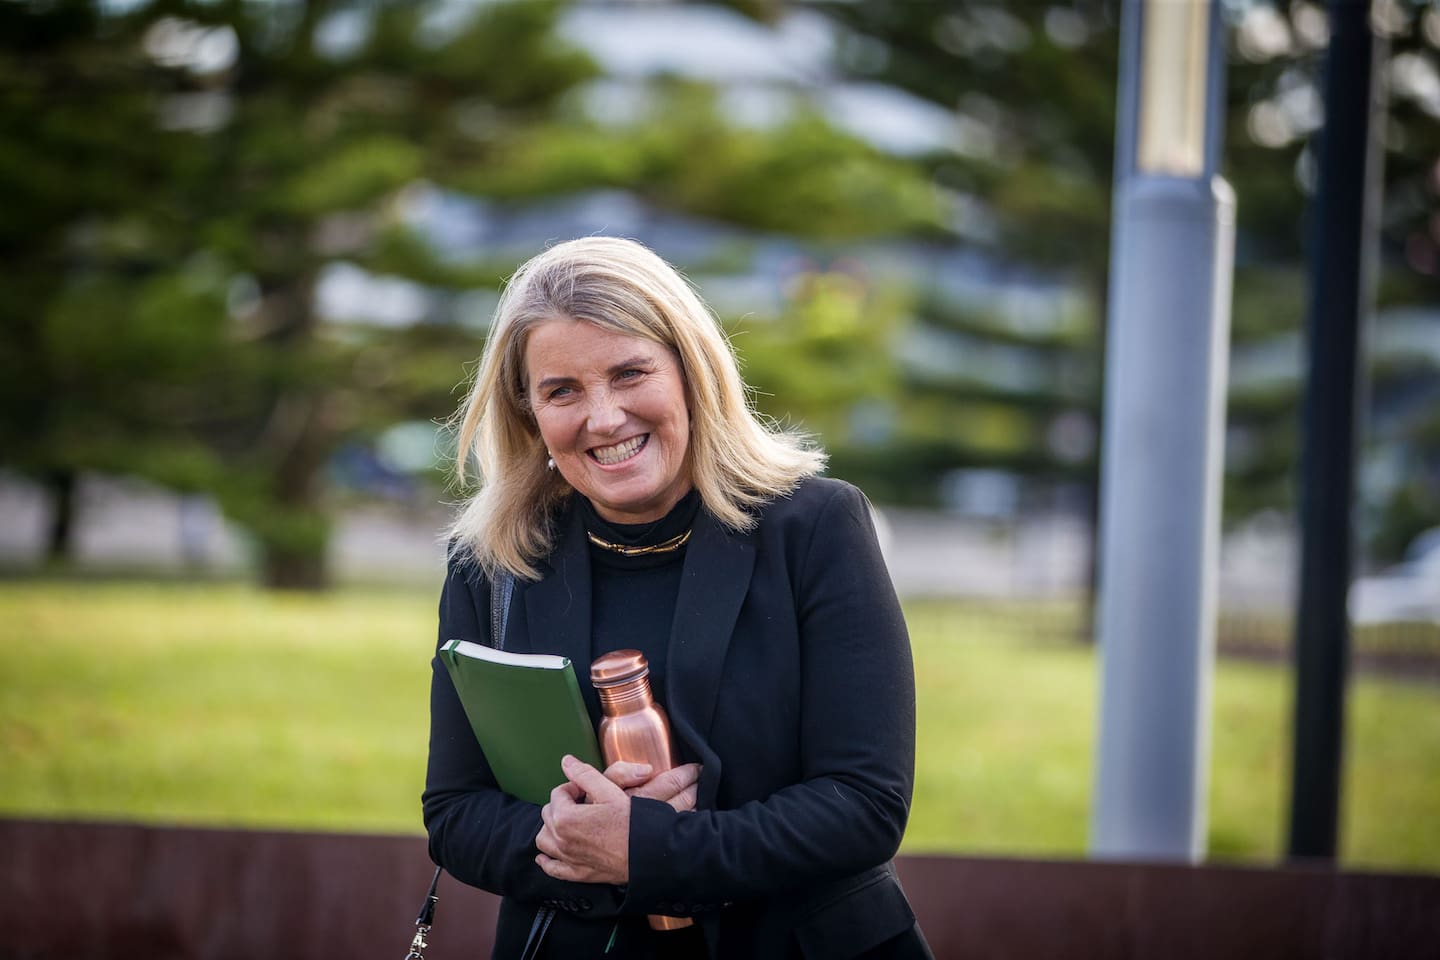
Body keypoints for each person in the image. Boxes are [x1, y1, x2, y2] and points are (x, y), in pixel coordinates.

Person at [423, 236, 930, 960]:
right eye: (562, 390)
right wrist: (567, 837)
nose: (602, 418)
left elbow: (864, 804)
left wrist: (653, 851)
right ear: (528, 413)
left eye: (631, 373)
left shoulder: (815, 528)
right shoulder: (491, 564)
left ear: (692, 373)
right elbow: (454, 811)